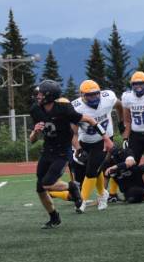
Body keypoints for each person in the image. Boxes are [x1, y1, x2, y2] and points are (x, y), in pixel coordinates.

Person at [30, 79, 112, 228]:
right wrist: (35, 132)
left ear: (50, 95)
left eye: (41, 93)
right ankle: (54, 217)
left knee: (47, 183)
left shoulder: (64, 109)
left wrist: (106, 138)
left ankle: (72, 188)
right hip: (47, 151)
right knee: (40, 188)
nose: (38, 96)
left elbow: (89, 119)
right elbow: (32, 140)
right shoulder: (36, 109)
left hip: (62, 152)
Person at [70, 80, 120, 211]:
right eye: (89, 95)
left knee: (91, 171)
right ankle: (103, 194)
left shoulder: (108, 97)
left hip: (104, 140)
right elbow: (73, 134)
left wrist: (122, 121)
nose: (94, 97)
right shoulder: (76, 107)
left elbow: (119, 105)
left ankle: (82, 201)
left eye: (96, 94)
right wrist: (78, 148)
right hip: (85, 142)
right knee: (94, 170)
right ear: (82, 95)